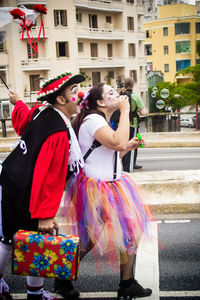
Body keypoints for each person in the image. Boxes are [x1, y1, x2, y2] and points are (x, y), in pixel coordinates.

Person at [60, 83, 154, 299]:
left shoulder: (101, 120)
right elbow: (116, 142)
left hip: (111, 186)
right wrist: (125, 112)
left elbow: (111, 154)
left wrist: (128, 146)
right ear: (100, 102)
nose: (118, 95)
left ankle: (124, 282)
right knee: (96, 236)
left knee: (116, 233)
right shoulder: (93, 120)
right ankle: (66, 278)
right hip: (96, 189)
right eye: (111, 93)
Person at [0, 71, 85, 300]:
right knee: (34, 242)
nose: (80, 95)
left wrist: (18, 102)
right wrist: (45, 214)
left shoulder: (42, 112)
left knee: (9, 239)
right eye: (74, 92)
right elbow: (47, 177)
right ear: (60, 99)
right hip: (25, 191)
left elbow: (21, 122)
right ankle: (35, 295)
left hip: (11, 181)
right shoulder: (58, 131)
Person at [121, 77, 147, 172]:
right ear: (133, 85)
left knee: (124, 144)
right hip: (132, 124)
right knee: (133, 144)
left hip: (122, 125)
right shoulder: (136, 97)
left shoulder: (121, 97)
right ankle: (130, 166)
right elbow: (143, 112)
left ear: (124, 85)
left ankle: (125, 166)